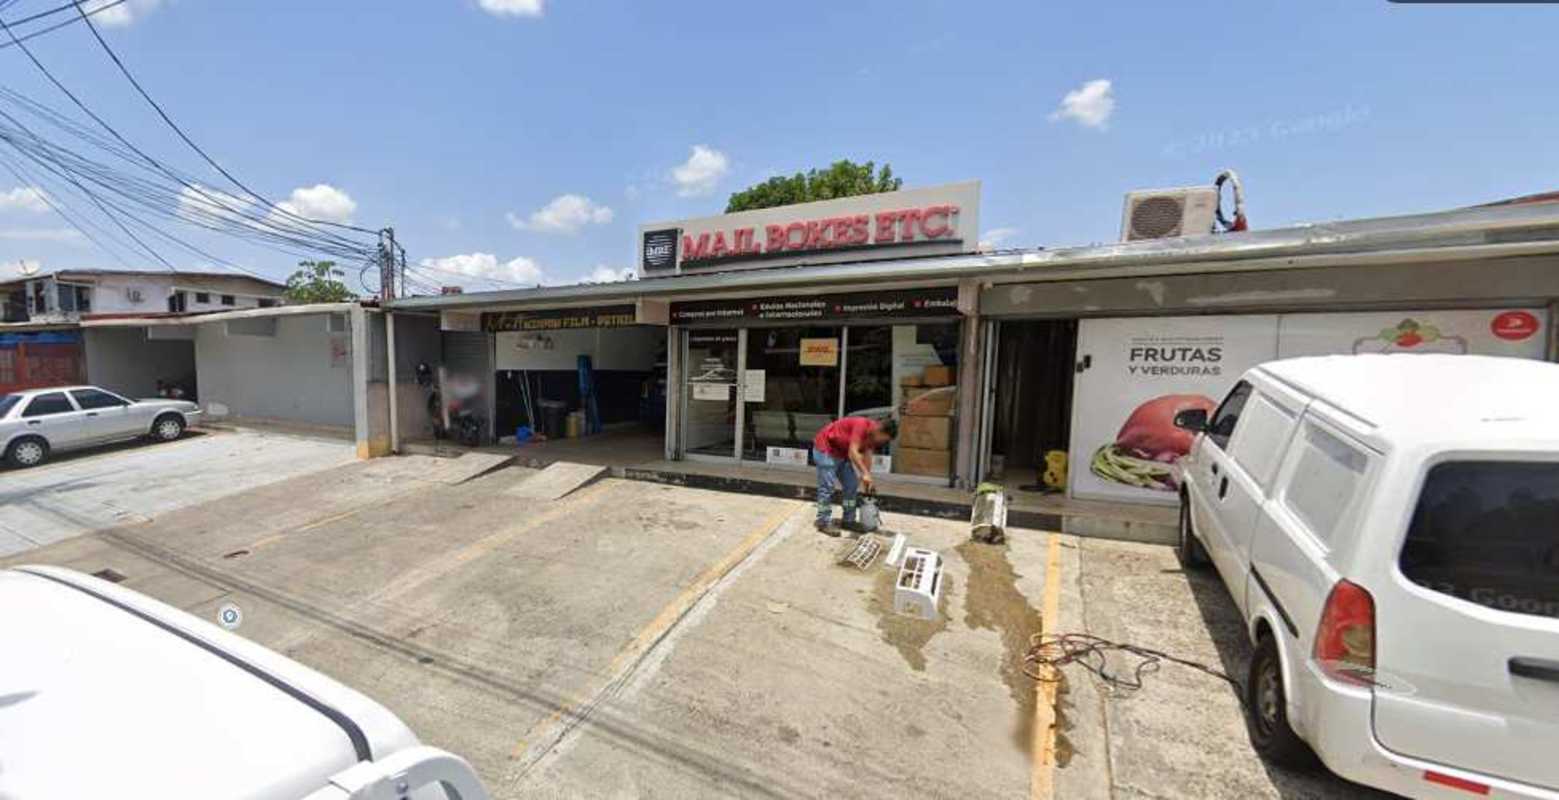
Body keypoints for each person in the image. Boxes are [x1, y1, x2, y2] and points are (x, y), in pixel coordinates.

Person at [811, 415, 897, 535]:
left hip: (841, 453)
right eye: (884, 438)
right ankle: (823, 521)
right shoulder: (861, 425)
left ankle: (848, 519)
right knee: (827, 488)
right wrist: (864, 473)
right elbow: (853, 452)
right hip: (826, 449)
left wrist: (867, 478)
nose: (883, 442)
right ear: (879, 429)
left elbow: (867, 455)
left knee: (851, 485)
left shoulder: (873, 437)